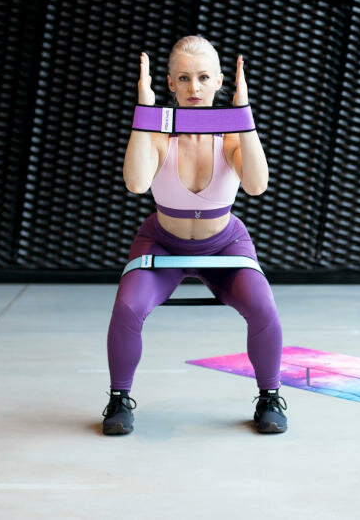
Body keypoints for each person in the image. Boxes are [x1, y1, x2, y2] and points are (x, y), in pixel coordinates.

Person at [101, 35, 287, 435]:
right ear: (170, 83)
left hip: (224, 245)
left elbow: (256, 186)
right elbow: (136, 183)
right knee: (128, 308)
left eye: (203, 77)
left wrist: (243, 115)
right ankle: (119, 399)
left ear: (219, 81)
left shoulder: (232, 135)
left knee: (263, 307)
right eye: (183, 78)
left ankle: (270, 397)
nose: (194, 88)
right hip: (163, 243)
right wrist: (144, 111)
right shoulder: (157, 133)